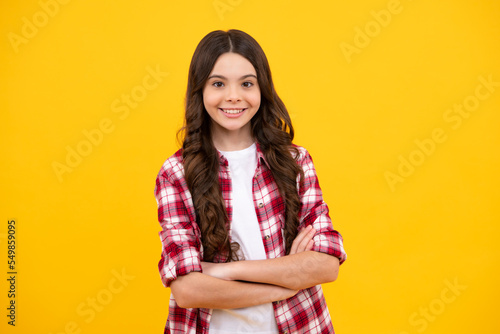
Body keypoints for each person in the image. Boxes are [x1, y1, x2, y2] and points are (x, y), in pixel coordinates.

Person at [154, 29, 347, 334]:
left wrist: (224, 271)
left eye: (247, 83)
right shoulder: (176, 173)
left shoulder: (295, 161)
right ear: (199, 90)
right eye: (218, 84)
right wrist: (287, 281)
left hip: (300, 325)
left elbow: (327, 264)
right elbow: (188, 290)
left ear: (262, 89)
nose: (233, 96)